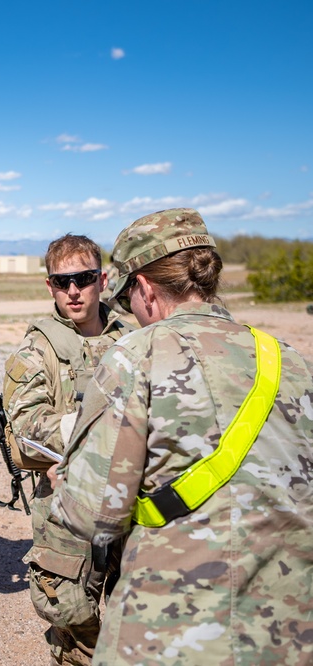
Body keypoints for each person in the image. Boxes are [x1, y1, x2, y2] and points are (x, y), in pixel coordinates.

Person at [52, 208, 313, 664]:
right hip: (291, 624)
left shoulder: (137, 355)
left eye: (127, 298)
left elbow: (96, 515)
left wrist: (65, 486)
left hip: (173, 625)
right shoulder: (287, 357)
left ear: (146, 290)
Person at [2, 234, 132, 665]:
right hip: (68, 506)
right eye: (63, 282)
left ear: (103, 279)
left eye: (84, 278)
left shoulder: (131, 338)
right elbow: (24, 430)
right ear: (50, 286)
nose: (74, 291)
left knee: (132, 610)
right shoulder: (38, 348)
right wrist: (104, 429)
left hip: (132, 501)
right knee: (77, 622)